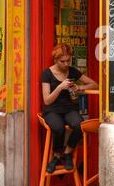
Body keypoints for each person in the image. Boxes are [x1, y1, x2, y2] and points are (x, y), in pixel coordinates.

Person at [42, 44, 98, 173]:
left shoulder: (72, 71)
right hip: (52, 110)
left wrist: (80, 88)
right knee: (58, 127)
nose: (66, 64)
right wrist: (60, 87)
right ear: (56, 60)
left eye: (68, 60)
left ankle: (67, 153)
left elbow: (95, 84)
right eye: (63, 61)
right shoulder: (47, 74)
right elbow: (47, 100)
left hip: (69, 108)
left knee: (79, 125)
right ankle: (56, 156)